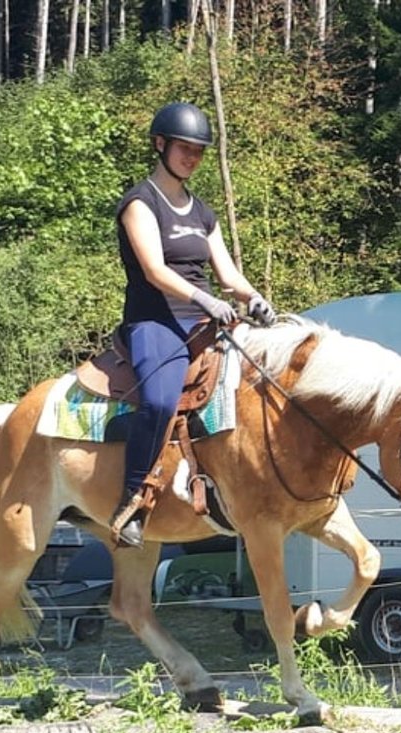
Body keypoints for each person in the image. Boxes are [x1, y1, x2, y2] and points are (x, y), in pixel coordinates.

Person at [109, 101, 276, 549]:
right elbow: (154, 271)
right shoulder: (140, 203)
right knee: (161, 403)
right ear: (160, 145)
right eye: (184, 148)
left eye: (199, 150)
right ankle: (132, 501)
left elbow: (226, 273)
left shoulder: (202, 212)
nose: (192, 157)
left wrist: (253, 298)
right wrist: (204, 299)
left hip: (205, 319)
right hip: (156, 320)